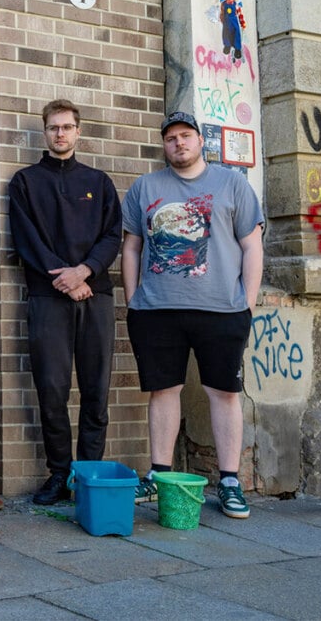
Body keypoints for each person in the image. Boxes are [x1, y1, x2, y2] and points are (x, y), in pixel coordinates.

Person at [121, 111, 263, 519]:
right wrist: (134, 300)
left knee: (224, 392)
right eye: (171, 138)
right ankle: (159, 474)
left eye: (186, 136)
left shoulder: (232, 184)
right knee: (163, 390)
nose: (178, 143)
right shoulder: (145, 187)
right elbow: (131, 247)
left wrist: (247, 302)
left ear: (201, 141)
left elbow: (252, 245)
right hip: (157, 311)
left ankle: (231, 482)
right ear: (164, 145)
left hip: (221, 310)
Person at [8, 100, 122, 505]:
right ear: (45, 133)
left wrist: (86, 271)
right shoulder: (25, 182)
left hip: (96, 296)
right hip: (48, 297)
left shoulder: (99, 181)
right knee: (52, 389)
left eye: (67, 127)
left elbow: (113, 236)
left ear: (78, 132)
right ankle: (59, 473)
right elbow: (27, 240)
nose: (61, 133)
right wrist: (66, 278)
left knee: (96, 390)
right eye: (54, 127)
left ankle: (87, 474)